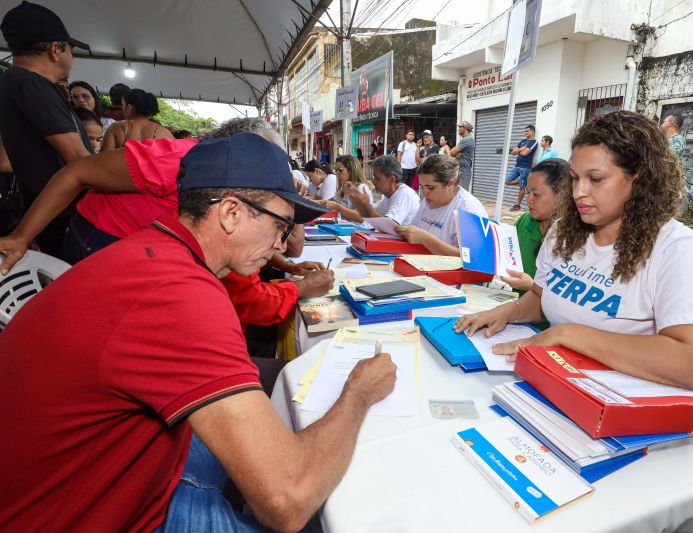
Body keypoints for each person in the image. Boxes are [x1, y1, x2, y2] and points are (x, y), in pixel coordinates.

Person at [0, 133, 397, 532]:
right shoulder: (180, 297)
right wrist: (359, 393)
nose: (283, 244)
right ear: (230, 213)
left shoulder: (154, 250)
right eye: (281, 225)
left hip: (110, 473)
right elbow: (287, 501)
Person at [454, 111, 693, 392]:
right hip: (552, 380)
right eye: (574, 178)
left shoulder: (676, 249)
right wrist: (509, 311)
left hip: (618, 400)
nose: (579, 192)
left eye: (595, 179)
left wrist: (567, 334)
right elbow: (542, 297)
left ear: (639, 179)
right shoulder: (564, 231)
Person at [0, 118, 333, 325]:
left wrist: (286, 266)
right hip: (97, 240)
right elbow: (76, 172)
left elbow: (244, 246)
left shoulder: (224, 201)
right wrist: (20, 235)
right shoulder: (178, 161)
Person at [0, 1, 93, 257]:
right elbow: (80, 161)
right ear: (55, 49)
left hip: (50, 216)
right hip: (65, 221)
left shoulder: (15, 82)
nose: (71, 58)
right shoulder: (30, 85)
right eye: (70, 50)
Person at [396, 154, 487, 256]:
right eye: (422, 187)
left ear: (450, 184)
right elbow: (414, 230)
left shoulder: (470, 210)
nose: (425, 193)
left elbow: (472, 256)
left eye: (430, 188)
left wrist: (426, 239)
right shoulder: (427, 201)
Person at [501, 158, 568, 294]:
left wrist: (532, 286)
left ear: (562, 195)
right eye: (528, 192)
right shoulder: (525, 221)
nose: (529, 200)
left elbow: (568, 303)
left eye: (536, 194)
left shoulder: (573, 238)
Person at [338, 155, 420, 225]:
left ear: (391, 179)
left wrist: (366, 205)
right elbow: (371, 216)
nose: (373, 181)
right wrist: (358, 202)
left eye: (377, 178)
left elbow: (389, 225)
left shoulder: (405, 194)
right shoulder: (387, 195)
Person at [101, 88, 173, 150]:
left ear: (129, 108)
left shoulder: (116, 127)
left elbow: (103, 159)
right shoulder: (165, 132)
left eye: (123, 105)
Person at [322, 154, 373, 224]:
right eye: (336, 170)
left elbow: (360, 217)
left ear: (351, 170)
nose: (337, 174)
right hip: (346, 228)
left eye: (340, 170)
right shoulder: (343, 188)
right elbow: (327, 203)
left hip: (360, 230)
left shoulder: (361, 188)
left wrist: (337, 207)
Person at [504, 125, 538, 212]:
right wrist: (521, 149)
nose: (525, 132)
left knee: (522, 187)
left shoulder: (534, 142)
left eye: (527, 131)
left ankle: (517, 205)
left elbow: (526, 153)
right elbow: (513, 152)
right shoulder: (522, 141)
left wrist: (519, 150)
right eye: (525, 131)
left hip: (525, 168)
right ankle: (523, 181)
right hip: (517, 166)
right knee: (506, 181)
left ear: (533, 132)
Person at [449, 120, 475, 191]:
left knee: (461, 195)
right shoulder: (466, 139)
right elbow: (453, 153)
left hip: (463, 173)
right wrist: (456, 154)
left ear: (465, 128)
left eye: (460, 127)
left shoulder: (467, 139)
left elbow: (451, 152)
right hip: (461, 172)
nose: (458, 129)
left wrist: (455, 153)